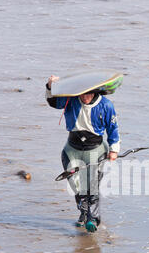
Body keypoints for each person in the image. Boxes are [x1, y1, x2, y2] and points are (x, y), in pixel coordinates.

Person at [46, 75, 121, 233]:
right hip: (72, 149)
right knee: (76, 185)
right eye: (82, 94)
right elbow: (53, 102)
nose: (85, 97)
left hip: (96, 149)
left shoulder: (106, 105)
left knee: (92, 185)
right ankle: (84, 213)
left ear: (95, 92)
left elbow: (113, 129)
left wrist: (114, 149)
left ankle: (92, 219)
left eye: (89, 94)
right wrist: (49, 85)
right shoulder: (70, 100)